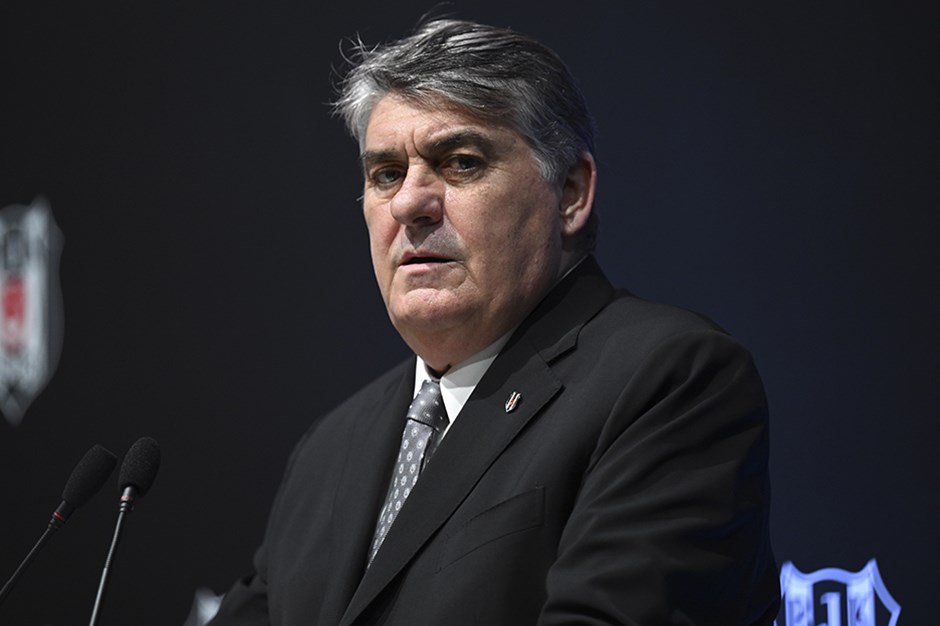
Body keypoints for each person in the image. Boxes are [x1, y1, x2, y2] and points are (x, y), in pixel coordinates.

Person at [207, 18, 779, 625]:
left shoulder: (668, 381)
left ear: (570, 193)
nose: (409, 203)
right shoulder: (329, 447)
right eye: (386, 174)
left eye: (460, 162)